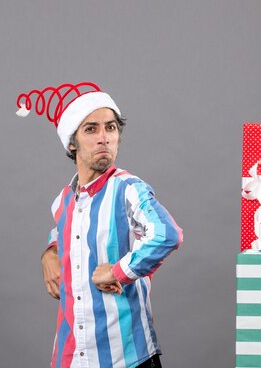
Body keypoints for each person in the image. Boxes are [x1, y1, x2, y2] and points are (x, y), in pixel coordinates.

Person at [16, 83, 183, 368]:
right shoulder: (63, 201)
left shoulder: (128, 189)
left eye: (111, 128)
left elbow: (167, 234)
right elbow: (67, 231)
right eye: (91, 129)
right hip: (71, 357)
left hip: (127, 357)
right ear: (72, 142)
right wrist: (50, 251)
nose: (104, 138)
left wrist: (119, 271)